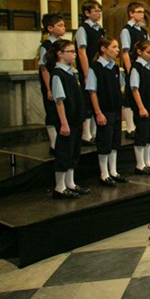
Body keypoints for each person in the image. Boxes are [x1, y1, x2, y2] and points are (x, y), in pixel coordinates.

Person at [47, 39, 89, 199]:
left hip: (76, 120)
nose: (74, 55)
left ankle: (70, 183)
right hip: (67, 121)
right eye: (71, 52)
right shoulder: (57, 74)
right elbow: (59, 101)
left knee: (74, 153)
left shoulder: (70, 72)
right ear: (60, 54)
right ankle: (59, 187)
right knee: (64, 153)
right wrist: (64, 123)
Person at [87, 37, 127, 187]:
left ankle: (113, 171)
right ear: (104, 49)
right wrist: (98, 112)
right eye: (114, 47)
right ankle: (104, 174)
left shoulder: (115, 67)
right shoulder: (96, 68)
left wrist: (121, 108)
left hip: (115, 109)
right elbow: (92, 92)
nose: (118, 50)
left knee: (115, 142)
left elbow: (119, 89)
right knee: (104, 142)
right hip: (104, 110)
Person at [74, 0, 104, 146]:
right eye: (95, 11)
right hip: (89, 69)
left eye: (99, 11)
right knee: (87, 100)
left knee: (97, 100)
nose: (99, 13)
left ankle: (94, 132)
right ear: (86, 13)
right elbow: (81, 52)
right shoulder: (83, 29)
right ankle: (86, 134)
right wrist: (86, 73)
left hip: (99, 68)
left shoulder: (99, 29)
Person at [130, 39, 150, 175]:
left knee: (149, 135)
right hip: (141, 107)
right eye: (148, 52)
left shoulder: (148, 66)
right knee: (141, 135)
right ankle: (140, 165)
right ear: (139, 52)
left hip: (149, 105)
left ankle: (147, 162)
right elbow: (135, 89)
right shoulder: (136, 68)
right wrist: (141, 107)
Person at [121, 2, 149, 139]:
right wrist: (130, 70)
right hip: (133, 67)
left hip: (144, 67)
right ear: (131, 13)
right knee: (129, 96)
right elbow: (125, 52)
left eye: (143, 12)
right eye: (139, 12)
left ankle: (142, 125)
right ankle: (130, 127)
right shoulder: (127, 30)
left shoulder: (143, 31)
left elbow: (149, 50)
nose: (142, 14)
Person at [38, 13, 65, 156]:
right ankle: (54, 143)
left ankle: (61, 141)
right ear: (50, 28)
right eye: (59, 25)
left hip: (61, 80)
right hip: (50, 83)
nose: (63, 28)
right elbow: (44, 68)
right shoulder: (46, 45)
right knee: (52, 112)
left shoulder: (62, 44)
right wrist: (49, 89)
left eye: (63, 25)